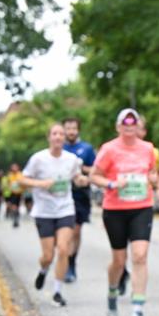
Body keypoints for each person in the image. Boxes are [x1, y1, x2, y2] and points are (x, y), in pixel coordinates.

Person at [89, 108, 159, 316]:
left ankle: (137, 310)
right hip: (115, 209)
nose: (129, 126)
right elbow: (94, 175)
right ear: (118, 127)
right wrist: (111, 184)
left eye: (133, 123)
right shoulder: (109, 149)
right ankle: (112, 290)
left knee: (139, 256)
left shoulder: (148, 149)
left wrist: (153, 179)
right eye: (125, 123)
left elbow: (154, 173)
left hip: (142, 207)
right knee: (119, 260)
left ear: (138, 126)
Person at [20, 124, 88, 307]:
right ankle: (43, 269)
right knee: (48, 256)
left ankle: (57, 291)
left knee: (64, 249)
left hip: (65, 209)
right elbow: (22, 179)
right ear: (49, 137)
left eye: (61, 134)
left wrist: (81, 180)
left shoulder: (71, 159)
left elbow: (77, 176)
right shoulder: (38, 159)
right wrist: (41, 184)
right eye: (54, 134)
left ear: (64, 138)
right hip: (44, 211)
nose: (58, 137)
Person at [62, 117, 97, 283]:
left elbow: (96, 171)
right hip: (61, 195)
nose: (70, 132)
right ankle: (64, 259)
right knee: (64, 232)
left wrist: (81, 167)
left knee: (75, 231)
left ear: (78, 130)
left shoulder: (87, 149)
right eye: (67, 128)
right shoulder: (58, 147)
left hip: (80, 195)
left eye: (73, 128)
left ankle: (71, 263)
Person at [1, 163, 24, 227]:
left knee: (17, 206)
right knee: (13, 206)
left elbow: (23, 183)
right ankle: (15, 218)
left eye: (15, 167)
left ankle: (16, 216)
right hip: (12, 193)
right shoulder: (9, 175)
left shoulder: (20, 175)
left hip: (19, 193)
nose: (14, 169)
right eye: (13, 167)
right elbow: (7, 183)